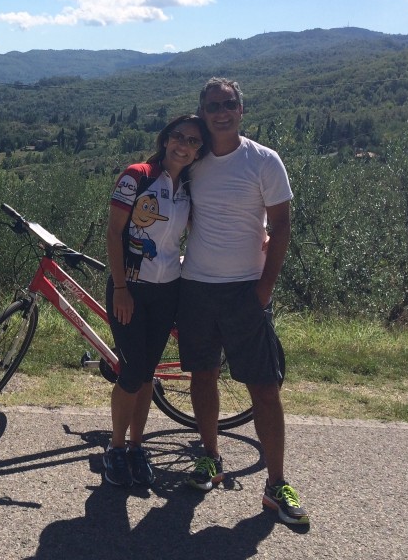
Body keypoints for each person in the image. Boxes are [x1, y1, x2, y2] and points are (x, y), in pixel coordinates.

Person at [178, 78, 310, 525]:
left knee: (264, 388)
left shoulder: (264, 161)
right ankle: (210, 458)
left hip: (244, 290)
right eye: (213, 105)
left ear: (241, 109)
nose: (221, 112)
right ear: (202, 110)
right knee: (203, 376)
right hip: (195, 286)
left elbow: (283, 226)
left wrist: (264, 289)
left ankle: (276, 483)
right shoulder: (192, 160)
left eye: (228, 104)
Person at [102, 114, 208, 487]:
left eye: (194, 141)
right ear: (166, 139)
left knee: (146, 374)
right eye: (179, 137)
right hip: (129, 287)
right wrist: (119, 288)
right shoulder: (137, 176)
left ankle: (136, 448)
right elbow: (114, 234)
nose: (184, 145)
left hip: (168, 290)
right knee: (131, 373)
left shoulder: (190, 187)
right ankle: (114, 450)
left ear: (199, 151)